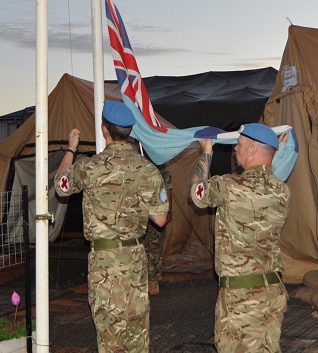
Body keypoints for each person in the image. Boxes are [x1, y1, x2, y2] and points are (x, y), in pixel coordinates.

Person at [55, 101, 170, 353]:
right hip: (136, 259)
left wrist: (71, 149)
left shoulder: (90, 167)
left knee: (110, 333)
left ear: (104, 129)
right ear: (129, 131)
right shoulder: (148, 170)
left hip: (104, 261)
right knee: (137, 329)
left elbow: (61, 186)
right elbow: (160, 220)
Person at [190, 124, 291, 353]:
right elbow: (264, 180)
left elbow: (198, 193)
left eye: (240, 144)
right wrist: (274, 152)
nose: (235, 149)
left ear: (253, 149)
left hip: (242, 297)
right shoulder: (282, 191)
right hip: (272, 292)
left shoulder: (228, 185)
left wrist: (206, 152)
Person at [144, 164, 173, 296]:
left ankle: (153, 280)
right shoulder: (142, 167)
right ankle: (143, 279)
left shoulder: (163, 171)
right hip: (143, 214)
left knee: (155, 246)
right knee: (142, 246)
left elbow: (168, 192)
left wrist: (169, 211)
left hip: (158, 213)